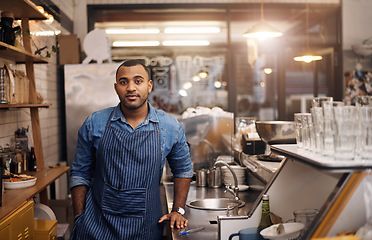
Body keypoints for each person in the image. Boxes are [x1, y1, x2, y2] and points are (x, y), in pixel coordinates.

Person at [70, 59, 193, 239]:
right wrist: (79, 217)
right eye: (123, 82)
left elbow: (183, 170)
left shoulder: (170, 127)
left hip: (146, 228)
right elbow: (80, 173)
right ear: (116, 87)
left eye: (138, 81)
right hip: (96, 227)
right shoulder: (94, 123)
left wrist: (178, 209)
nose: (130, 88)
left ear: (149, 86)